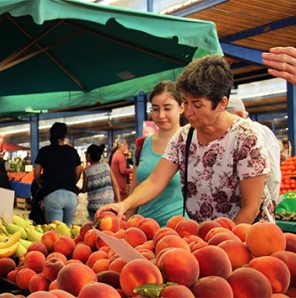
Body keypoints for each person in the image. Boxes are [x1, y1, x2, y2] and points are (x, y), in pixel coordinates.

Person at [96, 55, 273, 225]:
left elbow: (251, 208)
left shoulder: (246, 138)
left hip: (245, 237)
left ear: (221, 104)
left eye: (197, 105)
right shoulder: (184, 136)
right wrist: (124, 205)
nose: (188, 112)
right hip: (203, 236)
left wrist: (225, 243)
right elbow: (154, 181)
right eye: (186, 102)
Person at [129, 80, 187, 227]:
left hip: (179, 232)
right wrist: (127, 227)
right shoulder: (142, 145)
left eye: (167, 108)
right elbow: (134, 191)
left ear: (181, 108)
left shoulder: (191, 143)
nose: (161, 115)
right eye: (155, 109)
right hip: (143, 230)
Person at [227, 96, 282, 213]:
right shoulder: (230, 136)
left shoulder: (257, 131)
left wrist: (273, 200)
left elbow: (272, 168)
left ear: (240, 114)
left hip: (258, 207)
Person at [34, 122, 83, 227]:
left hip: (52, 194)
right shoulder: (72, 151)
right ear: (65, 135)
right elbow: (79, 171)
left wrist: (40, 184)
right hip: (71, 195)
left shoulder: (44, 151)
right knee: (68, 230)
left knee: (56, 233)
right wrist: (72, 182)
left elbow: (37, 172)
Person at [81, 144, 121, 220]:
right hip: (109, 204)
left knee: (95, 227)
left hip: (94, 206)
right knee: (109, 226)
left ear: (88, 156)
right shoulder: (106, 166)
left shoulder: (87, 171)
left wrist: (78, 190)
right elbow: (115, 184)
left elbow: (84, 189)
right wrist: (118, 201)